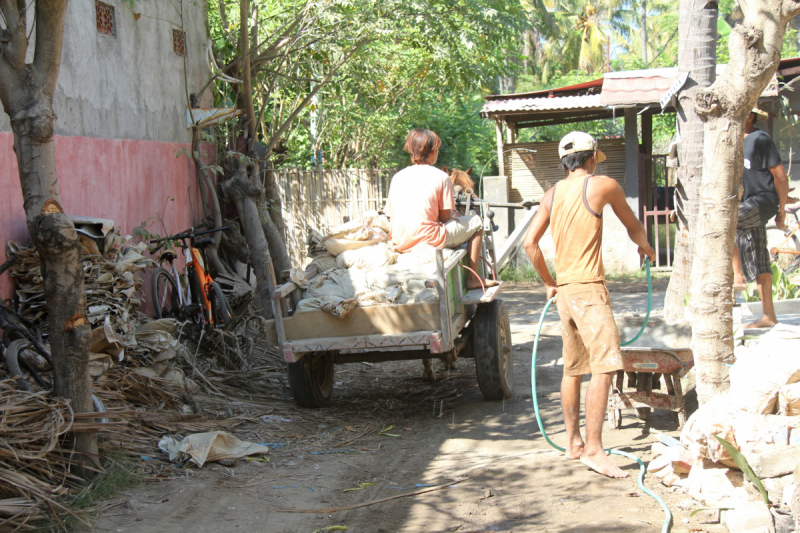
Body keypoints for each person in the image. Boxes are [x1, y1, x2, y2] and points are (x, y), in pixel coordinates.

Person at [523, 131, 655, 479]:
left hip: (565, 293)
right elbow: (632, 225)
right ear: (592, 158)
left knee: (573, 368)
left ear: (565, 162)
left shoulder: (551, 194)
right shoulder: (602, 185)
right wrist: (645, 245)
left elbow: (529, 244)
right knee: (607, 364)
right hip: (589, 291)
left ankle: (574, 444)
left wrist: (550, 283)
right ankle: (595, 450)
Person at [384, 128, 498, 290]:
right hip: (430, 239)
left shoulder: (397, 177)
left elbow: (390, 215)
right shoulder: (441, 177)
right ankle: (473, 278)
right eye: (437, 149)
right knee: (477, 222)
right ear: (433, 152)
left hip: (400, 241)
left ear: (411, 151)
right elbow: (445, 219)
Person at [732, 108, 790, 328]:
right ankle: (769, 316)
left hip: (763, 200)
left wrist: (782, 209)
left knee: (728, 224)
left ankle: (737, 277)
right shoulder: (734, 143)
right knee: (759, 258)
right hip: (747, 202)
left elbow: (780, 177)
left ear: (750, 116)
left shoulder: (760, 139)